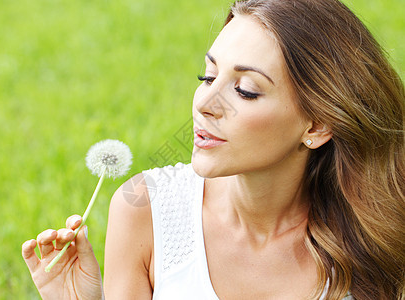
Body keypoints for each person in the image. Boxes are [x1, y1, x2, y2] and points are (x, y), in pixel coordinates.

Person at [22, 0, 404, 299]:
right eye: (208, 75)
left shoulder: (377, 234)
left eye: (246, 90)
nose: (205, 103)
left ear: (317, 125)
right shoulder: (146, 211)